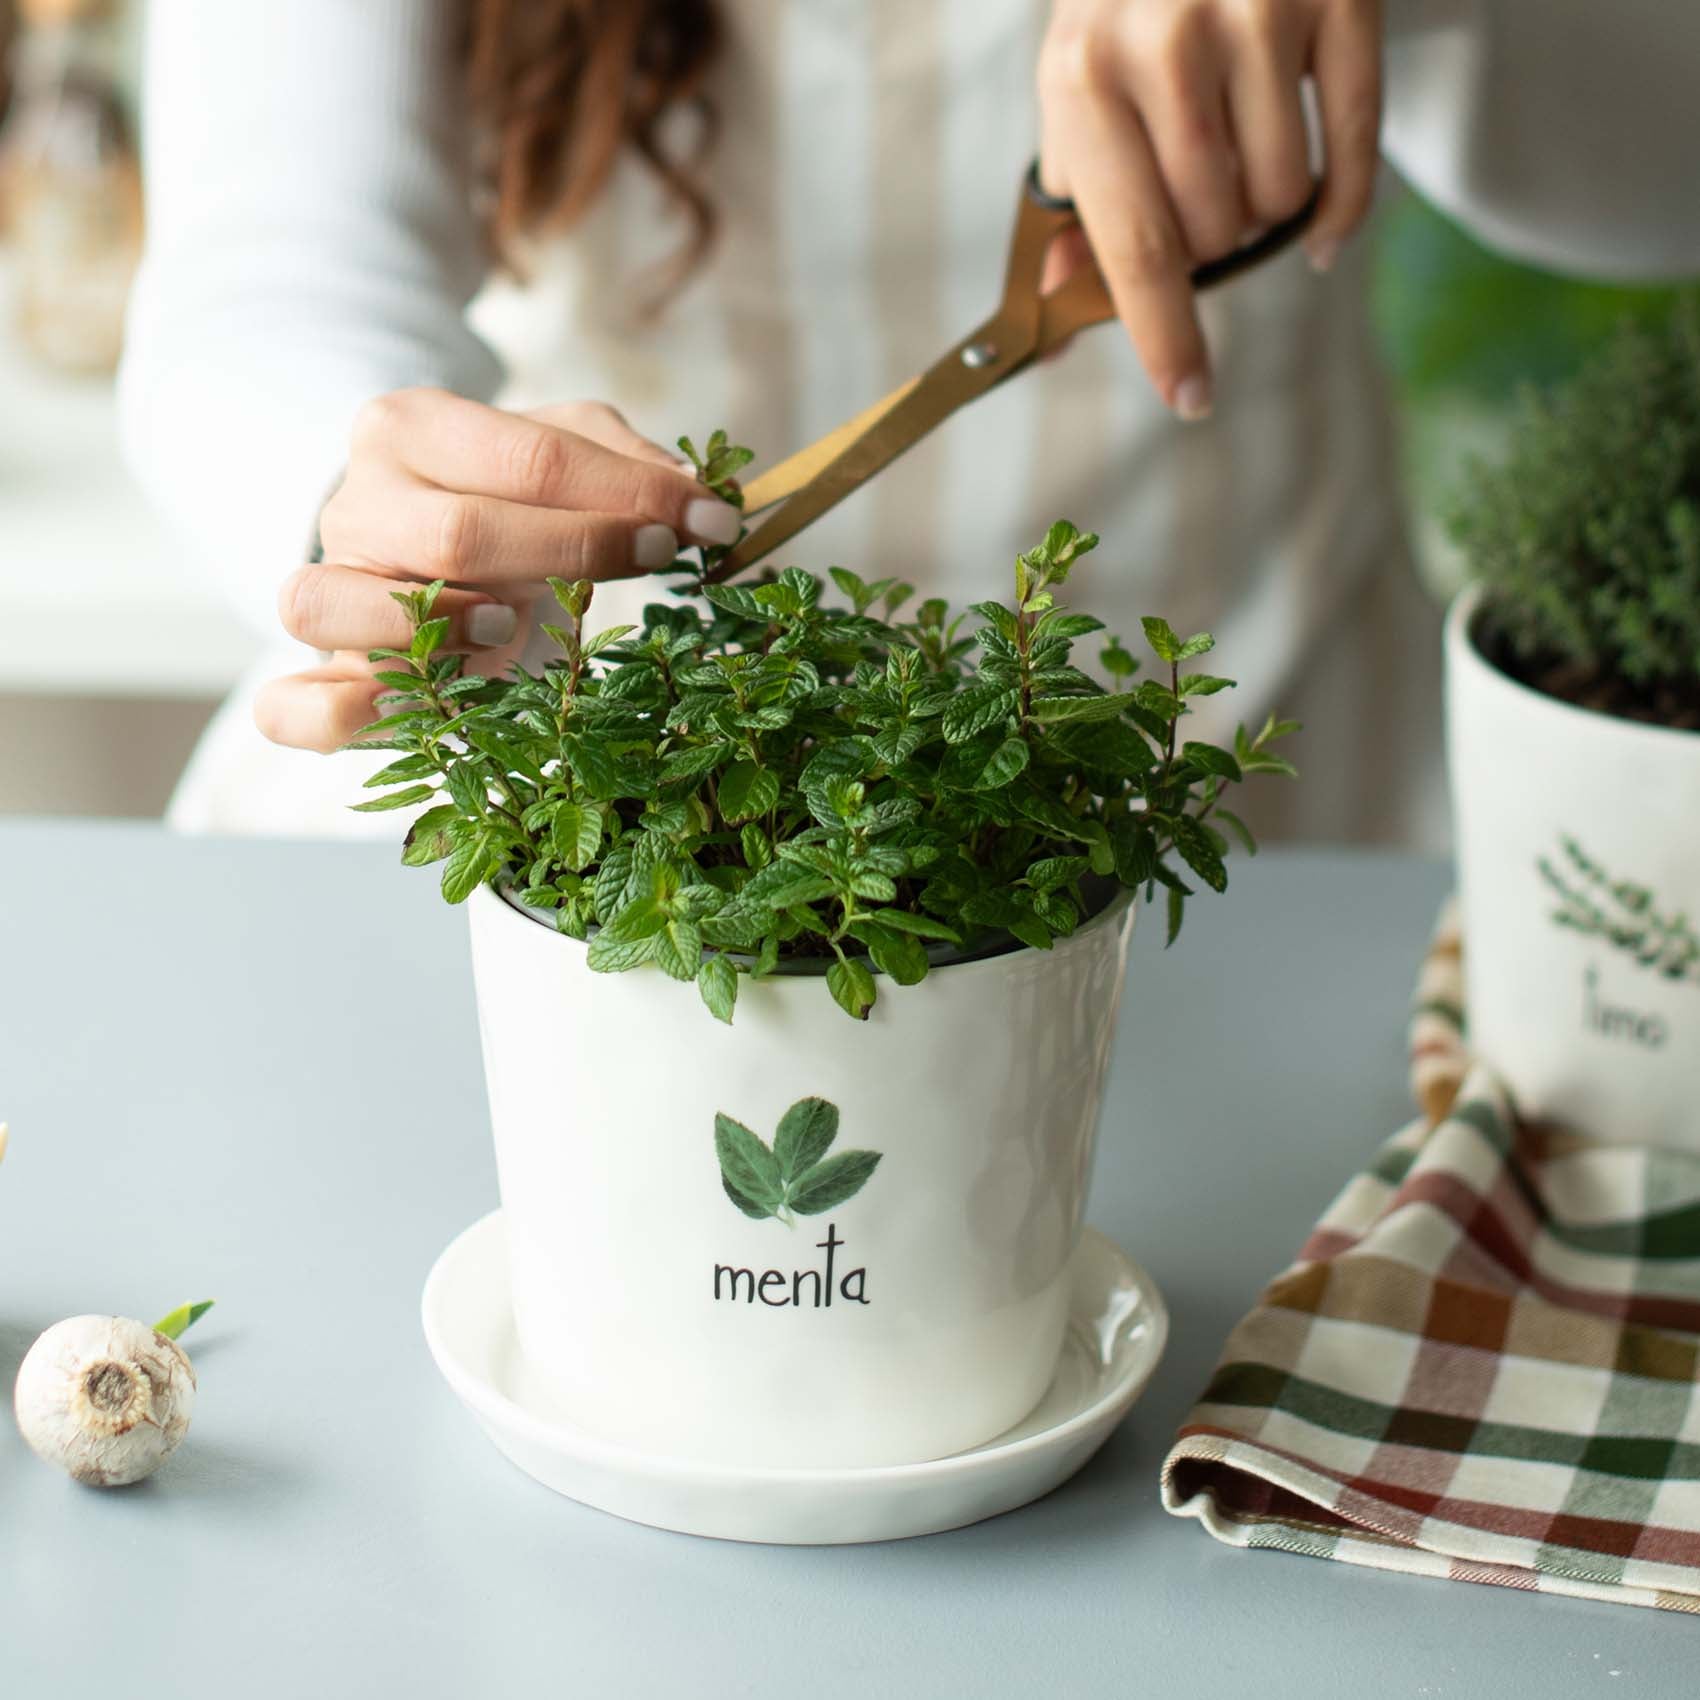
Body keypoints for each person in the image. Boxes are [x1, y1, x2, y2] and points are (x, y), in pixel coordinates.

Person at [118, 0, 1698, 842]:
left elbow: (1668, 173)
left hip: (1258, 790)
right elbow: (262, 268)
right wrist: (368, 495)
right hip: (586, 769)